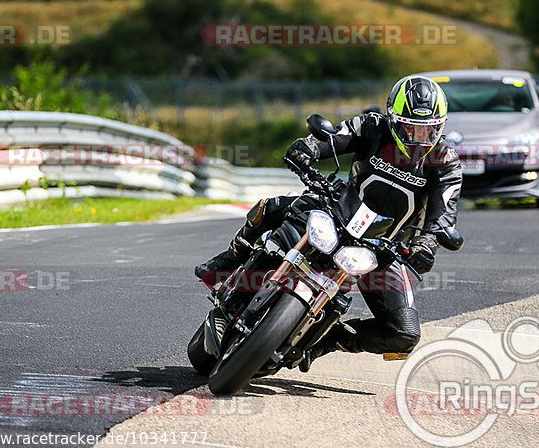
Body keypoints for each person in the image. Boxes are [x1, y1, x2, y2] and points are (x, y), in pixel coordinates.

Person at [194, 74, 463, 369]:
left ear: (440, 126)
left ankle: (325, 341)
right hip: (338, 212)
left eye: (426, 130)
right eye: (409, 127)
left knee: (404, 334)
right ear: (392, 118)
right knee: (274, 207)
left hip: (383, 249)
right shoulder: (372, 126)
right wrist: (308, 149)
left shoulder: (446, 162)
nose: (416, 137)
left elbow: (443, 213)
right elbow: (334, 138)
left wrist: (427, 244)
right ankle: (231, 260)